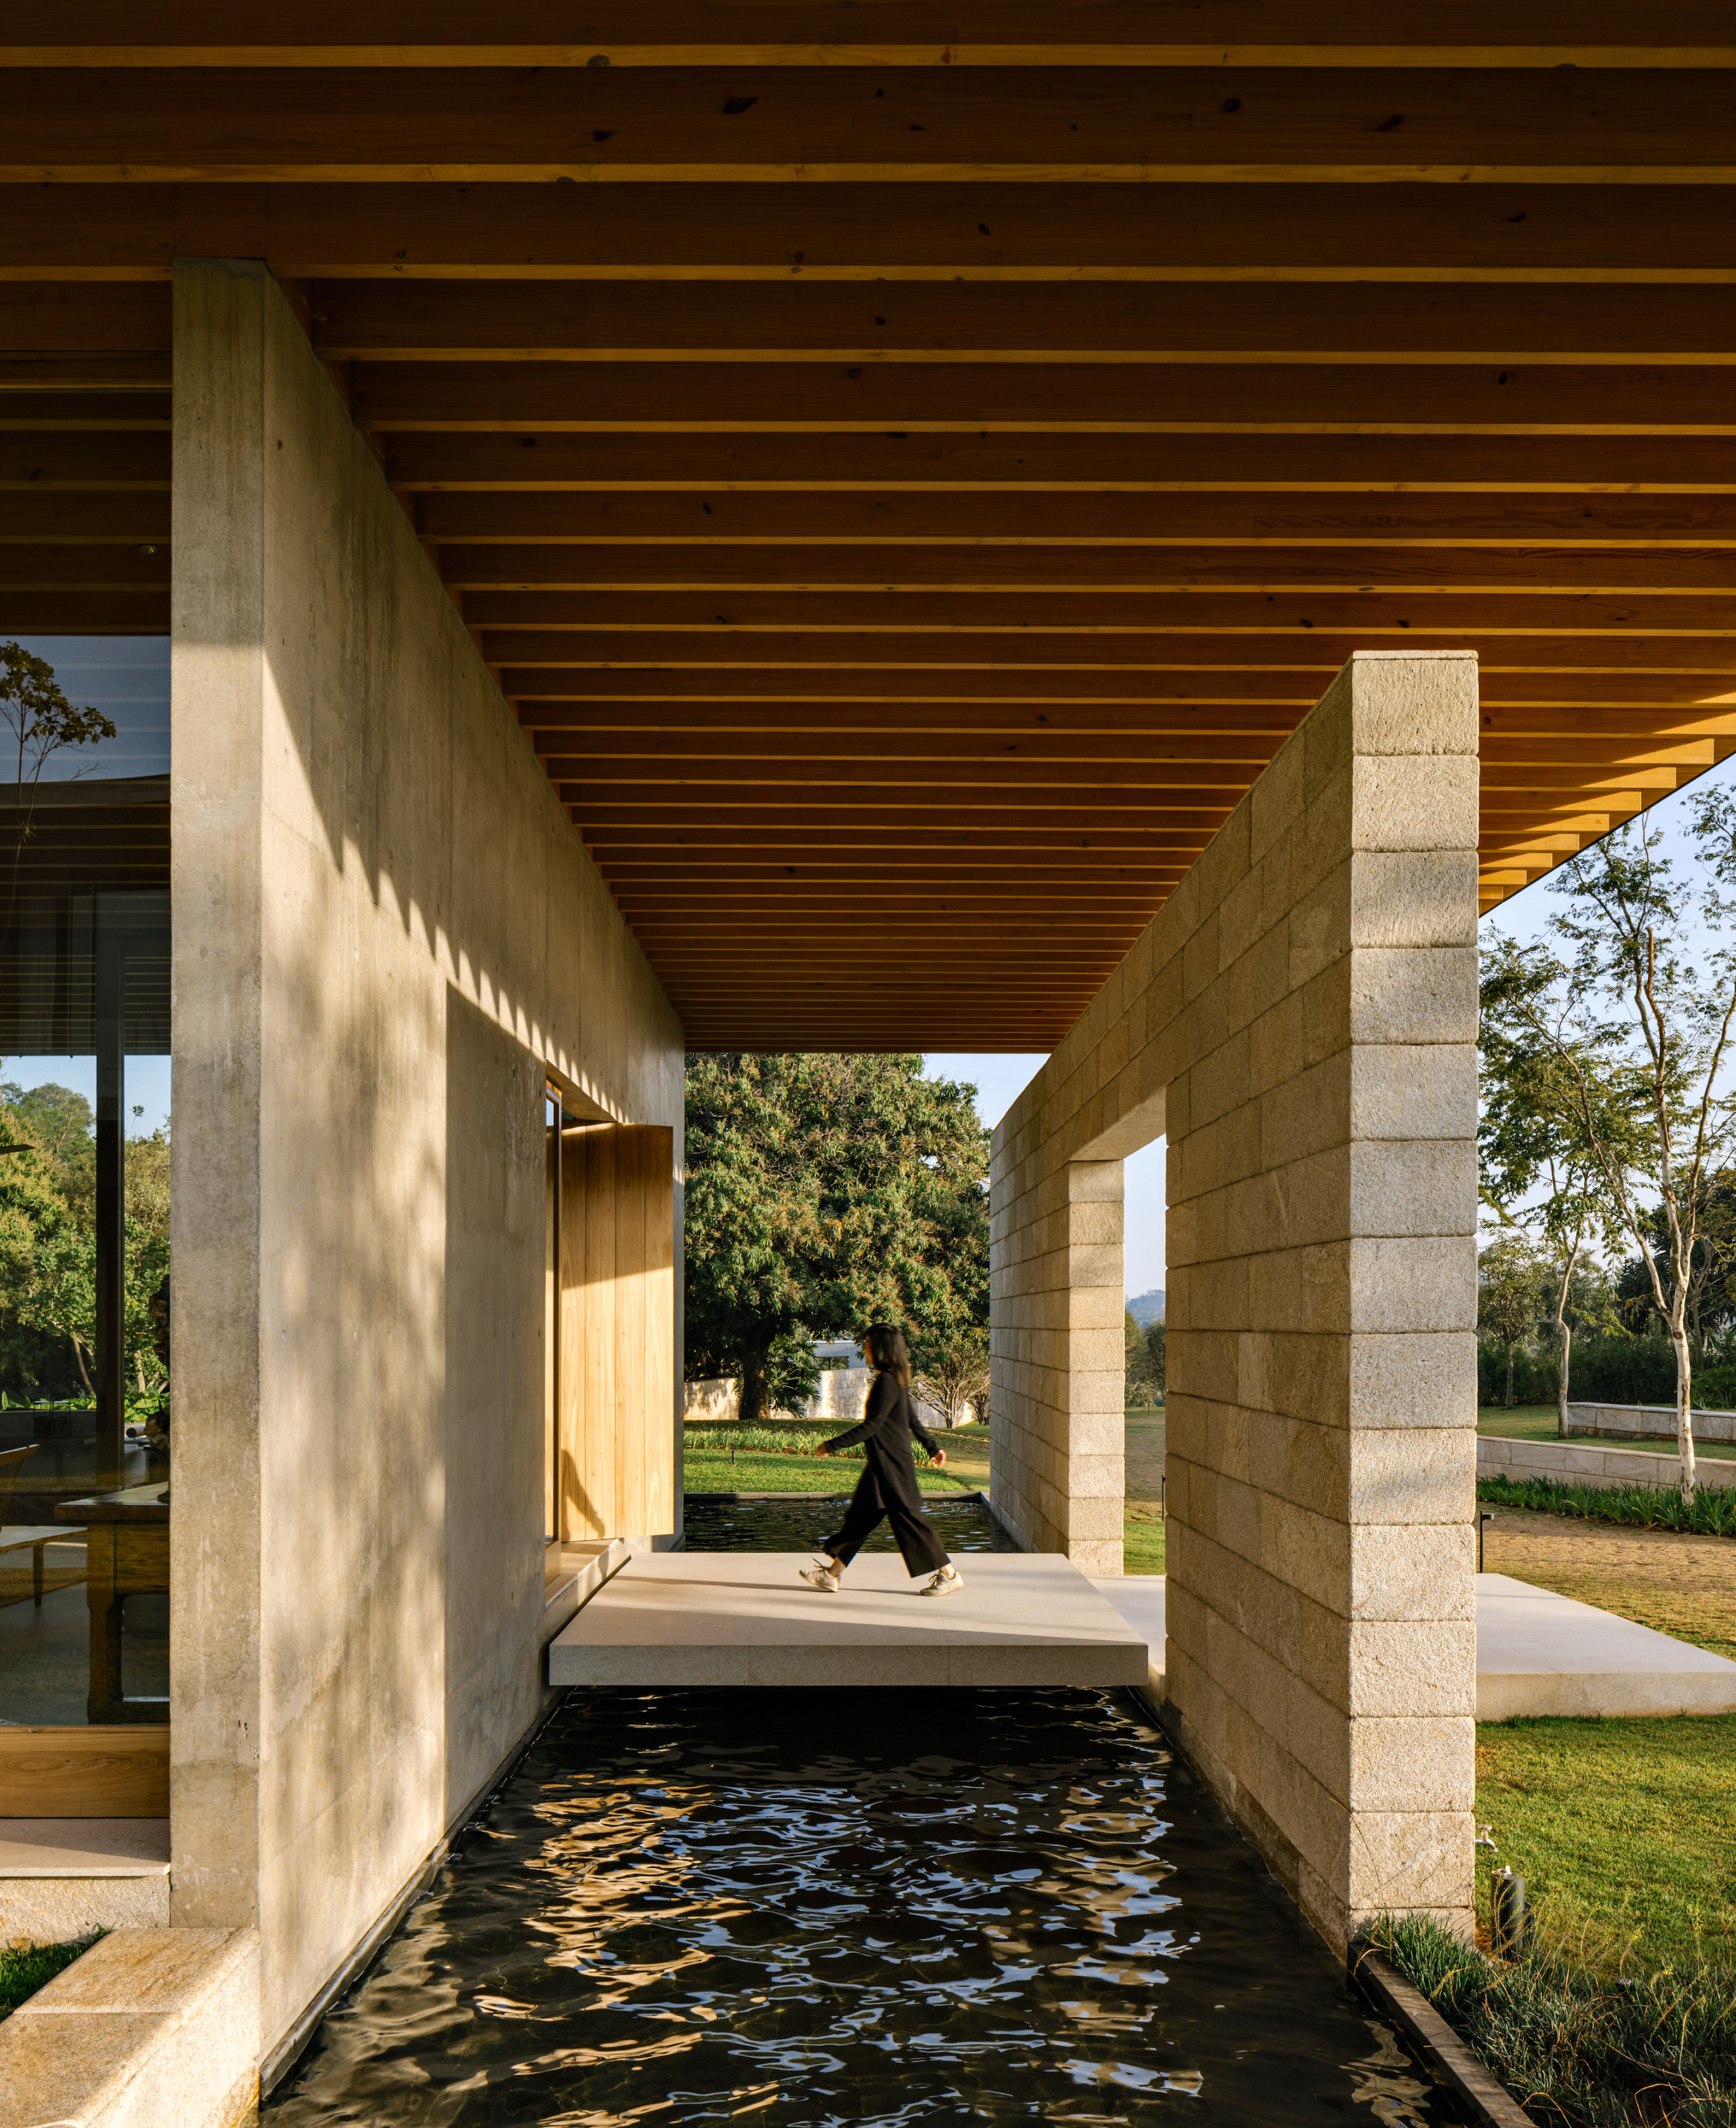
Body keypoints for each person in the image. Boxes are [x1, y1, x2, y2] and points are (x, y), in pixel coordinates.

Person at [798, 1324, 964, 1597]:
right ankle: (831, 1576)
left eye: (868, 1344)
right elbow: (911, 1419)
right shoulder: (894, 1379)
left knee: (911, 1520)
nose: (865, 1349)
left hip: (891, 1467)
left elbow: (872, 1426)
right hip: (882, 1464)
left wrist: (832, 1445)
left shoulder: (888, 1381)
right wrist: (932, 1448)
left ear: (881, 1348)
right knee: (861, 1519)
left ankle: (951, 1575)